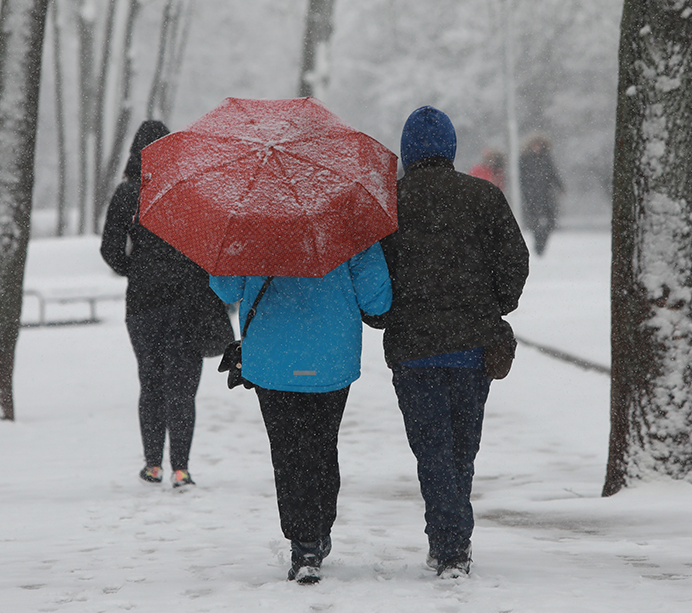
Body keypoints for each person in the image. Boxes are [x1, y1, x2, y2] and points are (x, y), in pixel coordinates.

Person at [364, 106, 529, 578]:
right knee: (462, 448)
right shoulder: (483, 197)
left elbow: (375, 281)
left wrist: (385, 314)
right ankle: (454, 540)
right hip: (473, 349)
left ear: (409, 151)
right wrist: (494, 303)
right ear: (451, 149)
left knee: (432, 449)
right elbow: (514, 262)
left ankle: (450, 543)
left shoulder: (389, 205)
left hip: (413, 351)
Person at [209, 244, 391, 585]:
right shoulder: (348, 225)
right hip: (331, 354)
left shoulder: (251, 223)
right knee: (323, 445)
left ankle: (304, 542)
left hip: (272, 355)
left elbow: (226, 288)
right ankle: (320, 528)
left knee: (288, 451)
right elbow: (376, 300)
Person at [101, 120, 234, 489]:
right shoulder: (192, 193)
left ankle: (151, 464)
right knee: (183, 386)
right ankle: (181, 467)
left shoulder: (128, 194)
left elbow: (109, 250)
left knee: (151, 381)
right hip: (189, 300)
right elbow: (214, 246)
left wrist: (138, 269)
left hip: (143, 303)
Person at [519, 132, 563, 257]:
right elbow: (521, 178)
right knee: (534, 221)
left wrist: (560, 187)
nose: (537, 147)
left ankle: (542, 242)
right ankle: (538, 243)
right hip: (531, 195)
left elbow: (553, 173)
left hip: (546, 194)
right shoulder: (524, 158)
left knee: (550, 220)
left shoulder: (546, 158)